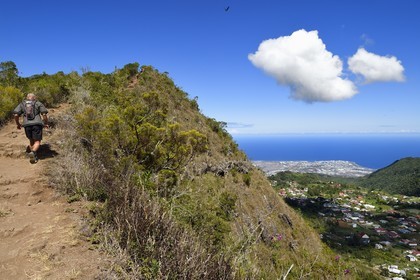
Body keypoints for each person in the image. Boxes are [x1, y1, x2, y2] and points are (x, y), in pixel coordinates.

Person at [13, 93, 49, 164]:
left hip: (26, 125)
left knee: (31, 140)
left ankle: (33, 156)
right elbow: (44, 114)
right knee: (37, 141)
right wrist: (45, 123)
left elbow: (16, 114)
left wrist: (18, 124)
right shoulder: (38, 103)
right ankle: (33, 152)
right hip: (37, 124)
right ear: (34, 98)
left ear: (27, 98)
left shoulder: (22, 104)